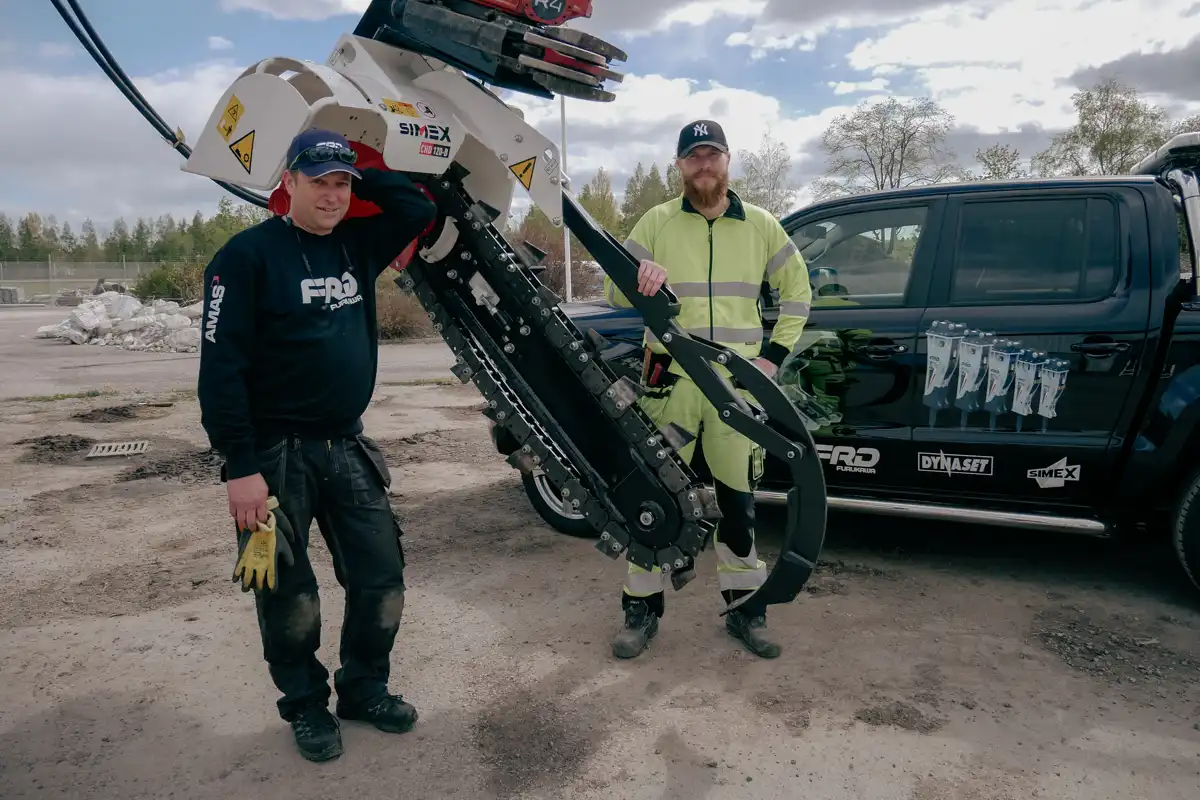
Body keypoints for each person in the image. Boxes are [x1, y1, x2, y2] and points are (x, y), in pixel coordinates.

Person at [197, 128, 437, 762]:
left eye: (341, 184)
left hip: (346, 447)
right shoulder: (245, 257)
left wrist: (361, 157)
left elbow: (417, 209)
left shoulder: (358, 245)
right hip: (274, 458)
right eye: (319, 181)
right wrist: (238, 469)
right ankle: (305, 705)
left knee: (381, 579)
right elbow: (219, 373)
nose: (332, 196)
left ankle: (363, 689)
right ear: (288, 182)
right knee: (287, 594)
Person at [601, 119, 813, 660]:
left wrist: (771, 361)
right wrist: (637, 271)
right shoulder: (656, 221)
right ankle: (640, 610)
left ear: (726, 161)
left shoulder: (763, 226)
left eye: (712, 153)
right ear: (679, 166)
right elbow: (611, 287)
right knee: (650, 495)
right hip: (669, 389)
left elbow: (798, 295)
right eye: (693, 155)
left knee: (738, 504)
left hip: (735, 396)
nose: (704, 163)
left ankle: (746, 610)